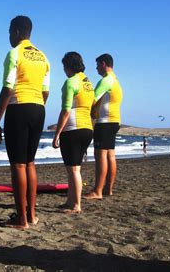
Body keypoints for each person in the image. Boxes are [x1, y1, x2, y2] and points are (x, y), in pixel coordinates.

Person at [0, 15, 50, 229]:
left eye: (9, 32)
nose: (9, 36)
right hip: (38, 109)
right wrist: (36, 106)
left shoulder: (14, 53)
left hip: (19, 107)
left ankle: (21, 219)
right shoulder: (43, 57)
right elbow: (46, 91)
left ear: (16, 31)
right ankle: (32, 215)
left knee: (17, 165)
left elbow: (8, 89)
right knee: (30, 163)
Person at [52, 52, 94, 214]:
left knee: (74, 169)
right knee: (74, 168)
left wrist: (57, 134)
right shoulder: (88, 82)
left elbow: (65, 111)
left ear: (68, 66)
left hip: (73, 129)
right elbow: (94, 103)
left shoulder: (70, 83)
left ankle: (76, 205)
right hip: (87, 129)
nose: (64, 70)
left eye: (64, 67)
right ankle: (70, 201)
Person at [85, 53, 123, 200]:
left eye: (97, 65)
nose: (96, 69)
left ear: (103, 63)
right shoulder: (116, 81)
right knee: (110, 156)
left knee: (100, 156)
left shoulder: (106, 80)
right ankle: (108, 188)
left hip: (105, 122)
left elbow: (92, 99)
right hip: (114, 121)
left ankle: (98, 191)